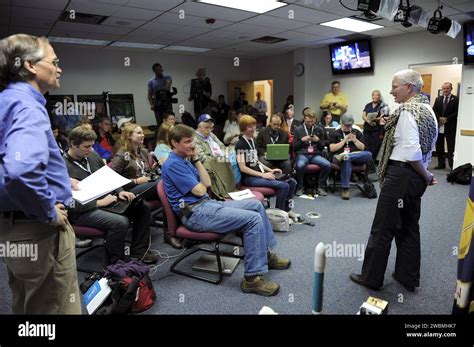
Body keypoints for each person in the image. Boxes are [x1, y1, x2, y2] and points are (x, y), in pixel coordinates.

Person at [0, 34, 81, 314]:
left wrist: (56, 180)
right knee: (53, 309)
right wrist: (48, 209)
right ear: (31, 65)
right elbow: (20, 170)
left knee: (27, 305)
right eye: (55, 62)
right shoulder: (28, 105)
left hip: (12, 229)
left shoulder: (6, 100)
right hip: (38, 229)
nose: (59, 68)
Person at [162, 124, 291, 296]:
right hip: (195, 214)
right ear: (174, 143)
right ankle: (251, 280)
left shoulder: (187, 159)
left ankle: (265, 255)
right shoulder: (173, 164)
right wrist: (199, 185)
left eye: (192, 141)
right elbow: (200, 190)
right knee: (252, 220)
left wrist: (196, 159)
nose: (192, 145)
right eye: (187, 142)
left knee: (256, 205)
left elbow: (206, 184)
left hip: (207, 205)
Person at [350, 69, 438, 292]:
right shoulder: (428, 110)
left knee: (382, 228)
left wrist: (427, 176)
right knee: (408, 227)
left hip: (401, 175)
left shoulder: (407, 111)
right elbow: (426, 148)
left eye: (395, 86)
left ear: (409, 87)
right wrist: (424, 175)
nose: (391, 91)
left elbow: (412, 153)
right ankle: (407, 277)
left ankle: (371, 278)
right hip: (415, 180)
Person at [65, 126, 159, 263]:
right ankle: (116, 264)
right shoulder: (62, 167)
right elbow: (67, 203)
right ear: (73, 144)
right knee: (120, 222)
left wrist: (121, 191)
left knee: (142, 207)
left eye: (92, 146)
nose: (91, 150)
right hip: (82, 211)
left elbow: (109, 177)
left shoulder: (92, 155)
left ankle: (139, 251)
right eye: (86, 147)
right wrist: (98, 203)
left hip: (106, 201)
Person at [236, 116, 299, 218]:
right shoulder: (240, 144)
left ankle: (286, 210)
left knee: (292, 182)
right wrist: (263, 175)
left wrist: (270, 170)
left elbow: (256, 161)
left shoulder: (251, 141)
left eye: (253, 126)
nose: (253, 129)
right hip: (249, 178)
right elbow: (243, 168)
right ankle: (279, 214)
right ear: (243, 128)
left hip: (258, 174)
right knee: (284, 186)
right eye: (249, 127)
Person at [193, 114, 239, 198]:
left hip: (221, 158)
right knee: (234, 162)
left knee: (238, 156)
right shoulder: (195, 139)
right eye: (206, 128)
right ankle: (230, 189)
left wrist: (225, 153)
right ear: (199, 127)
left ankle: (234, 187)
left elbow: (222, 146)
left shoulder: (211, 135)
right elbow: (203, 158)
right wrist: (219, 158)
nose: (209, 130)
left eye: (211, 128)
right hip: (211, 163)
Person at [329, 114, 372, 200]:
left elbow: (363, 148)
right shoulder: (335, 133)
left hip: (354, 157)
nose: (348, 127)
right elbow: (332, 149)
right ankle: (345, 189)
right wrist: (344, 140)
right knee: (346, 159)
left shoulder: (356, 132)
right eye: (346, 125)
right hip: (338, 158)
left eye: (350, 125)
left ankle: (348, 156)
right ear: (341, 123)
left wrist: (355, 140)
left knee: (368, 154)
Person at [293, 108, 331, 197]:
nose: (310, 123)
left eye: (312, 122)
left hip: (315, 155)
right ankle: (300, 186)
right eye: (308, 121)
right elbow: (294, 147)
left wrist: (318, 140)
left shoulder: (319, 129)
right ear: (304, 118)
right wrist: (302, 140)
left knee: (327, 165)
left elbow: (322, 148)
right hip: (303, 154)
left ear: (315, 119)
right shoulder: (298, 130)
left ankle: (320, 186)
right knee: (299, 165)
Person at [432, 82, 459, 169]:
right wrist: (439, 118)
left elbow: (456, 112)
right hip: (440, 126)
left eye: (447, 88)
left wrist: (446, 119)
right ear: (442, 89)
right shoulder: (438, 99)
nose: (446, 90)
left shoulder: (456, 99)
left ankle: (452, 165)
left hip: (450, 127)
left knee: (451, 147)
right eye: (444, 88)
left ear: (451, 89)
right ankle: (441, 164)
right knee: (439, 146)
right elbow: (434, 110)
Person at [362, 90, 390, 163]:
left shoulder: (382, 105)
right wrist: (368, 121)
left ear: (379, 97)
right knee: (366, 145)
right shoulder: (368, 105)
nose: (375, 96)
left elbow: (384, 116)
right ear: (372, 96)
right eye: (373, 95)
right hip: (367, 128)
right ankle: (366, 162)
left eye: (377, 95)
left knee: (375, 147)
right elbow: (363, 115)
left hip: (377, 129)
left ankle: (372, 163)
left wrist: (375, 119)